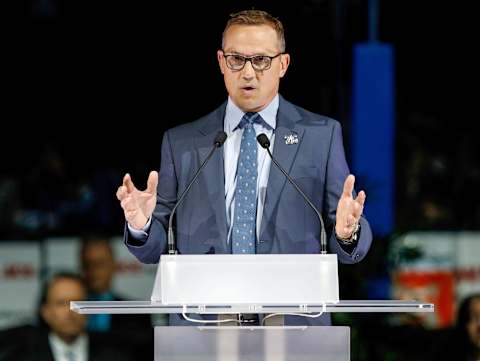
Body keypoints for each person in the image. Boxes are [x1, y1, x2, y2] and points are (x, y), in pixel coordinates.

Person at [116, 9, 372, 326]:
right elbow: (156, 248)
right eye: (237, 59)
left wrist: (348, 233)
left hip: (293, 324)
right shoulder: (182, 143)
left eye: (262, 60)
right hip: (203, 325)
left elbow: (346, 241)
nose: (249, 73)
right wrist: (141, 226)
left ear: (283, 64)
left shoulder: (320, 136)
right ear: (222, 62)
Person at [6, 272, 134, 361]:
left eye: (78, 302)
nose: (71, 311)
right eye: (61, 303)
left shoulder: (114, 356)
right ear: (45, 312)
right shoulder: (22, 357)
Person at [80, 236, 153, 358]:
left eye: (100, 264)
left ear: (113, 265)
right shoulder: (68, 311)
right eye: (88, 264)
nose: (93, 271)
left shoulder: (137, 314)